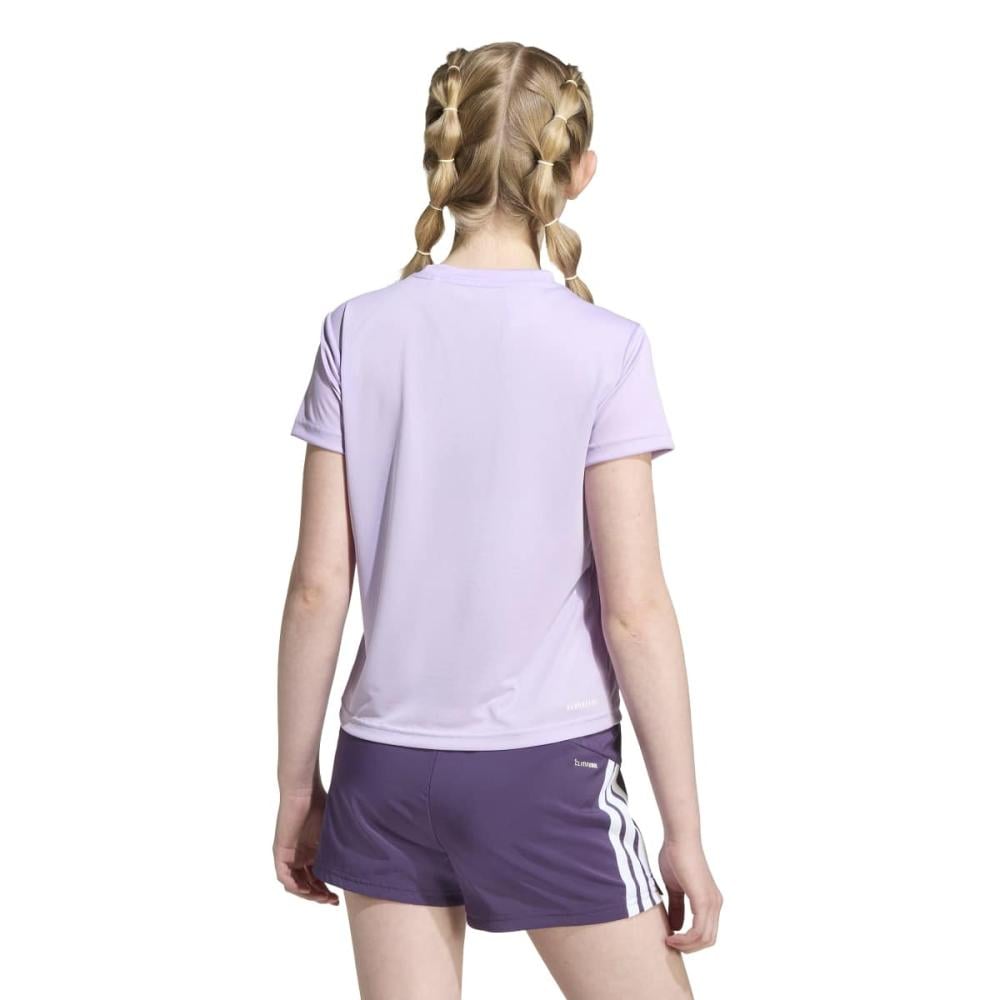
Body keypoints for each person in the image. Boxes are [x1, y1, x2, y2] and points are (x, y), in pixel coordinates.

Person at [274, 41, 721, 1000]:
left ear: (442, 155)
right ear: (577, 172)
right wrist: (683, 831)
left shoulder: (356, 330)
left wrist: (298, 787)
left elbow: (316, 588)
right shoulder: (608, 348)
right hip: (543, 773)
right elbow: (635, 610)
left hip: (383, 769)